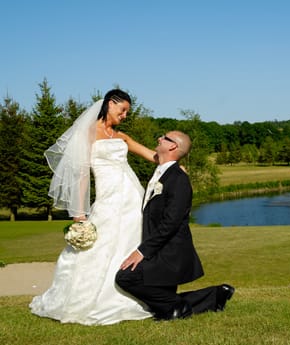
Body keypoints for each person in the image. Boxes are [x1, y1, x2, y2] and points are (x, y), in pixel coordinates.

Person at [30, 89, 156, 325]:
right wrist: (79, 215)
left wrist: (174, 163)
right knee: (100, 246)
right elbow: (81, 176)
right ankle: (90, 298)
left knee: (131, 243)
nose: (125, 115)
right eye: (123, 109)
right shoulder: (87, 134)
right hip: (108, 199)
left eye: (128, 111)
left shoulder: (122, 137)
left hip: (133, 197)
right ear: (110, 103)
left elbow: (151, 155)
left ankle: (131, 295)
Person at [116, 131, 235, 321]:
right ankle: (215, 295)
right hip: (160, 251)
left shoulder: (179, 179)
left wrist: (142, 251)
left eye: (164, 137)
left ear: (173, 146)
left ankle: (179, 306)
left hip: (171, 253)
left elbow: (171, 223)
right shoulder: (161, 173)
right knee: (163, 302)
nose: (159, 138)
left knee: (125, 278)